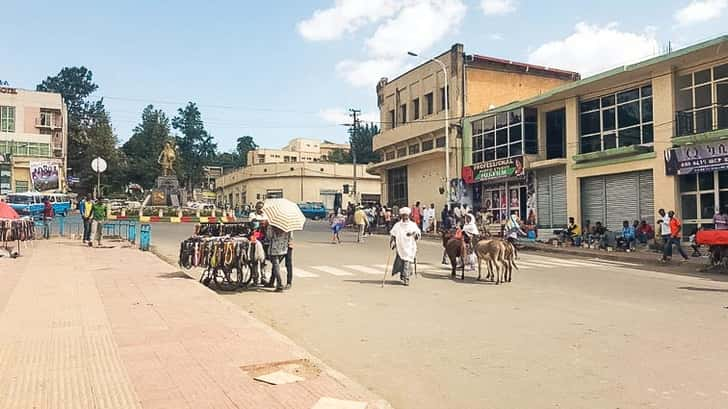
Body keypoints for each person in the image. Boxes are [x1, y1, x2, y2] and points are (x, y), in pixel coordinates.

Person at [389, 207, 421, 286]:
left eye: (406, 216)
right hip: (400, 246)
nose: (405, 217)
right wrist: (392, 242)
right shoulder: (398, 225)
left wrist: (414, 234)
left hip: (410, 246)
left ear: (408, 216)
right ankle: (403, 275)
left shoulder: (412, 225)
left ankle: (406, 278)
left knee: (407, 261)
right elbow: (393, 234)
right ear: (401, 216)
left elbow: (418, 234)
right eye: (403, 216)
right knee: (400, 262)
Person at [265, 224, 290, 292]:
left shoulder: (272, 226)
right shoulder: (287, 226)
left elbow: (269, 237)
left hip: (274, 249)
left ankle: (279, 285)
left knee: (276, 267)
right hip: (283, 249)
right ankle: (271, 282)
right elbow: (290, 236)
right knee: (275, 266)